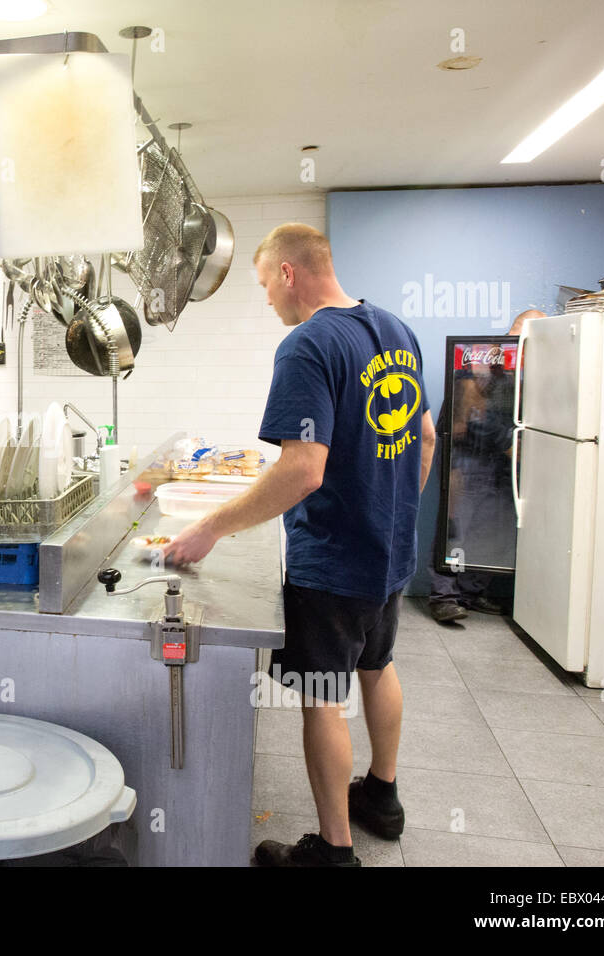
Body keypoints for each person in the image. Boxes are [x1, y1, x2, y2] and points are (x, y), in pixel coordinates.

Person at [161, 223, 435, 866]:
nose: (265, 302)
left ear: (288, 273)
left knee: (322, 697)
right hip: (389, 553)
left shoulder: (308, 345)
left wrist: (210, 528)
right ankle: (383, 799)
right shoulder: (395, 329)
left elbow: (302, 469)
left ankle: (333, 852)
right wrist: (392, 513)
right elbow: (422, 436)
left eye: (262, 284)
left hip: (334, 559)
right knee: (377, 665)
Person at [428, 308, 544, 622]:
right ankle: (445, 597)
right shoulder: (484, 359)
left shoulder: (529, 365)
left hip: (495, 456)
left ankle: (471, 592)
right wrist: (508, 444)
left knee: (492, 528)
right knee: (457, 525)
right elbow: (468, 417)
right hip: (465, 453)